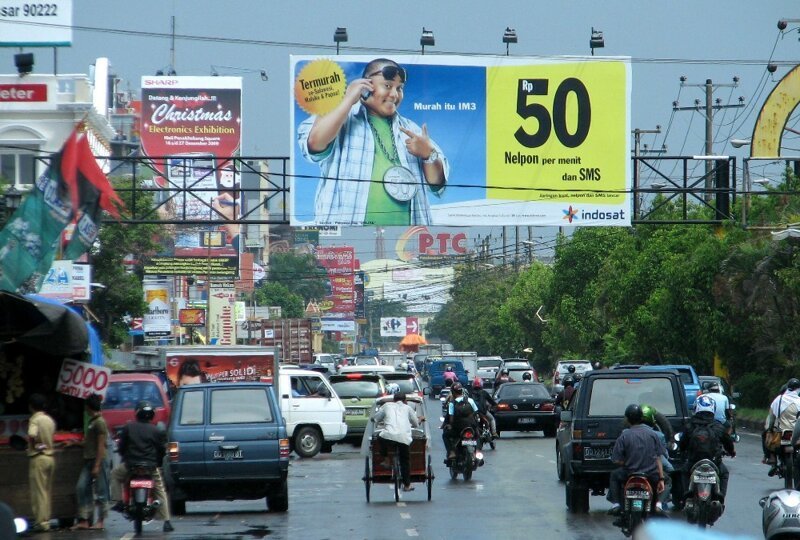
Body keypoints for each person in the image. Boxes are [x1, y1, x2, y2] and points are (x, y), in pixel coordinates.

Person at [297, 58, 449, 226]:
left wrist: (429, 155)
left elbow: (437, 186)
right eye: (388, 86)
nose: (394, 94)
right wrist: (348, 100)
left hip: (410, 235)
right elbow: (314, 144)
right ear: (366, 86)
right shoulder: (339, 117)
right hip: (346, 235)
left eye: (400, 89)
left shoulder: (413, 131)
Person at [111, 401, 174, 533]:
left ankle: (118, 502)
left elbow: (122, 447)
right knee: (160, 489)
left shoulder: (129, 427)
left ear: (137, 413)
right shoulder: (156, 430)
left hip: (131, 465)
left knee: (115, 474)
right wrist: (157, 463)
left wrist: (126, 458)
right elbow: (161, 451)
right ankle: (167, 521)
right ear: (151, 415)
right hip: (150, 467)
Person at [607, 404, 666, 517]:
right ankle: (658, 505)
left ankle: (616, 505)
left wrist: (627, 462)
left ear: (628, 419)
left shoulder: (624, 436)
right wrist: (661, 478)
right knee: (668, 480)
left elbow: (616, 460)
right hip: (651, 474)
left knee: (614, 476)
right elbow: (659, 457)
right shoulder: (653, 434)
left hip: (629, 473)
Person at [678, 395, 735, 504]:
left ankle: (687, 492)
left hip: (694, 461)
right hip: (714, 462)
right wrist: (731, 452)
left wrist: (682, 451)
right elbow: (728, 442)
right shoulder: (718, 426)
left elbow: (683, 443)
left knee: (684, 471)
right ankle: (721, 495)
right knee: (724, 473)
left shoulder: (689, 425)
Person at [70, 394, 110, 531]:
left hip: (97, 460)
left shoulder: (100, 422)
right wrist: (73, 443)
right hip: (89, 460)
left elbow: (101, 445)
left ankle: (101, 520)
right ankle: (84, 519)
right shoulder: (92, 422)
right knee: (81, 487)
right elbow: (89, 442)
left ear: (88, 407)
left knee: (101, 491)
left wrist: (97, 465)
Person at [372, 391, 423, 492]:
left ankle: (386, 459)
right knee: (405, 461)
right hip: (404, 439)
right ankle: (407, 485)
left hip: (388, 436)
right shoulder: (408, 408)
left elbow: (376, 418)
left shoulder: (387, 406)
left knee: (380, 438)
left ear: (394, 400)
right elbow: (416, 424)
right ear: (405, 401)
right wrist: (420, 419)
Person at [27, 393, 56, 533]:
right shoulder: (49, 419)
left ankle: (41, 522)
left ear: (31, 406)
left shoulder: (35, 419)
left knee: (39, 492)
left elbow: (32, 435)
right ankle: (46, 520)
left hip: (38, 458)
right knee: (46, 491)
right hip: (50, 458)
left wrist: (34, 446)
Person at [641, 403, 674, 512]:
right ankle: (661, 502)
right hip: (653, 465)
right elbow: (661, 453)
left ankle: (616, 504)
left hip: (632, 467)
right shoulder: (658, 435)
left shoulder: (626, 433)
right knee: (670, 470)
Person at [764, 378, 800, 474]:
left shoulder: (778, 399)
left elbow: (771, 418)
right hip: (796, 433)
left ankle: (772, 460)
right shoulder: (799, 401)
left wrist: (769, 429)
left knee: (767, 436)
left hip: (781, 432)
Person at [444, 383, 479, 461]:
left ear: (453, 392)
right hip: (471, 427)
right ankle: (477, 451)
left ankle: (452, 452)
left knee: (445, 435)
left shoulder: (452, 403)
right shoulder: (470, 400)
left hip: (458, 429)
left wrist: (448, 425)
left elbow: (450, 419)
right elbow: (477, 412)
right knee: (477, 436)